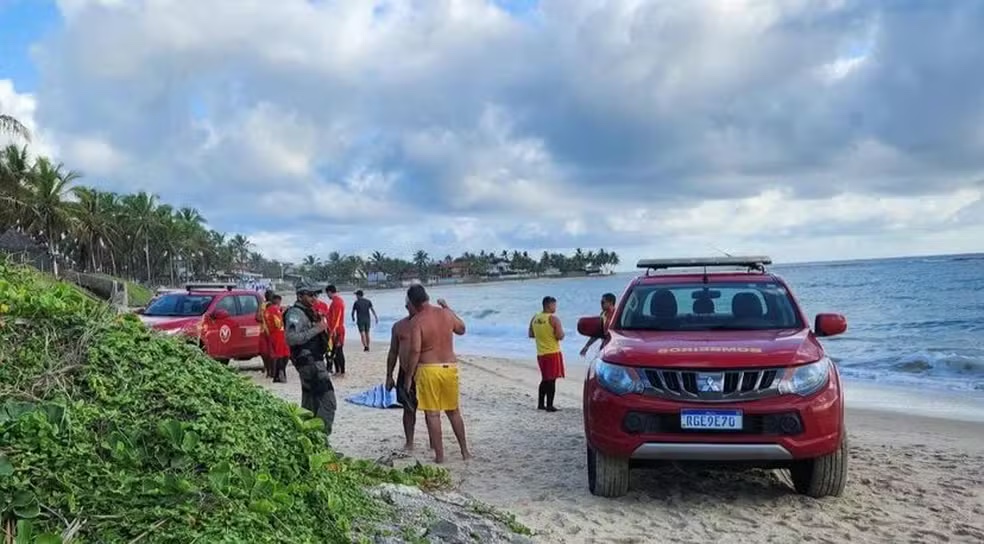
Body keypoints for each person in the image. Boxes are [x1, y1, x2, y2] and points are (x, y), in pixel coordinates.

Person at [404, 284, 471, 464]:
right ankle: (465, 451)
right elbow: (462, 329)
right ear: (427, 296)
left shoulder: (417, 321)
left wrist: (409, 376)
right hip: (450, 367)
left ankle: (440, 456)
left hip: (429, 369)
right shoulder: (446, 314)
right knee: (454, 411)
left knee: (433, 414)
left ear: (412, 303)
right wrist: (447, 307)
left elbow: (415, 350)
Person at [284, 283, 336, 439]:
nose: (314, 298)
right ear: (300, 296)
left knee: (310, 404)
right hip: (310, 363)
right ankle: (320, 438)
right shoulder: (295, 313)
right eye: (310, 295)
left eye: (316, 295)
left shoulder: (307, 312)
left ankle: (307, 438)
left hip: (312, 362)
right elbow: (291, 338)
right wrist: (317, 329)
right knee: (328, 401)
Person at [385, 298, 418, 451]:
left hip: (423, 371)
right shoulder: (399, 326)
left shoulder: (426, 323)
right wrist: (389, 375)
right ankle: (409, 441)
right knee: (408, 407)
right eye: (412, 304)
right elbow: (393, 352)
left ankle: (433, 442)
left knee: (431, 410)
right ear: (407, 306)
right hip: (404, 371)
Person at [529, 296, 565, 412]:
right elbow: (560, 336)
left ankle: (541, 403)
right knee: (551, 380)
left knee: (545, 378)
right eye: (554, 305)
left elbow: (531, 334)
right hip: (552, 352)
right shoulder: (553, 319)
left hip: (541, 353)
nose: (555, 307)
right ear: (549, 305)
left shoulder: (535, 318)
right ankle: (549, 404)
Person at [580, 292, 617, 357]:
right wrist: (586, 346)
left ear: (610, 303)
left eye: (603, 302)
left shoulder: (617, 315)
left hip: (614, 349)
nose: (601, 304)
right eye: (601, 302)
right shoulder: (603, 315)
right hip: (604, 348)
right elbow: (597, 333)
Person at [264, 294, 290, 383]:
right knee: (283, 355)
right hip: (278, 334)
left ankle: (276, 375)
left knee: (277, 355)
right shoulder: (275, 310)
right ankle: (281, 373)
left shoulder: (267, 310)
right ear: (278, 301)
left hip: (272, 334)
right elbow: (278, 323)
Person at [325, 285, 347, 375]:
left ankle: (341, 371)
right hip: (336, 329)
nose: (327, 295)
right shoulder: (337, 301)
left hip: (337, 330)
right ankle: (338, 370)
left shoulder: (336, 302)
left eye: (327, 293)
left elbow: (336, 318)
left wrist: (333, 331)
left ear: (330, 292)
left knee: (338, 351)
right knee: (334, 351)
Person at [257, 289, 275, 379]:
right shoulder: (266, 306)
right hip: (267, 331)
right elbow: (258, 317)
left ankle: (269, 371)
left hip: (266, 331)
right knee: (268, 353)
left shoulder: (263, 305)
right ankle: (270, 371)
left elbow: (257, 317)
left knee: (266, 353)